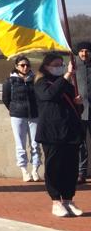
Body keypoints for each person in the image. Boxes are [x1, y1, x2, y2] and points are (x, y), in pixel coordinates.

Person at [33, 52, 84, 217]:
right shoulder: (41, 82)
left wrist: (78, 104)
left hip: (69, 132)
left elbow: (75, 109)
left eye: (61, 65)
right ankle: (55, 200)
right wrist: (67, 75)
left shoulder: (66, 84)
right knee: (54, 167)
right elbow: (49, 95)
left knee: (70, 168)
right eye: (56, 65)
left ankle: (68, 199)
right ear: (46, 67)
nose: (60, 68)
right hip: (51, 133)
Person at [2, 56, 40, 182]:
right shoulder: (10, 81)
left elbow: (40, 96)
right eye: (22, 65)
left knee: (35, 144)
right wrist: (14, 109)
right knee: (20, 145)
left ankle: (35, 170)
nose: (25, 67)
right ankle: (24, 170)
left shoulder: (35, 80)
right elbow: (6, 99)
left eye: (27, 65)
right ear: (17, 66)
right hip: (17, 115)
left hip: (34, 115)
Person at [73, 41, 91, 184]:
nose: (84, 53)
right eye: (81, 51)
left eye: (87, 51)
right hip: (79, 110)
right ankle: (81, 172)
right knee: (81, 144)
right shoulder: (73, 67)